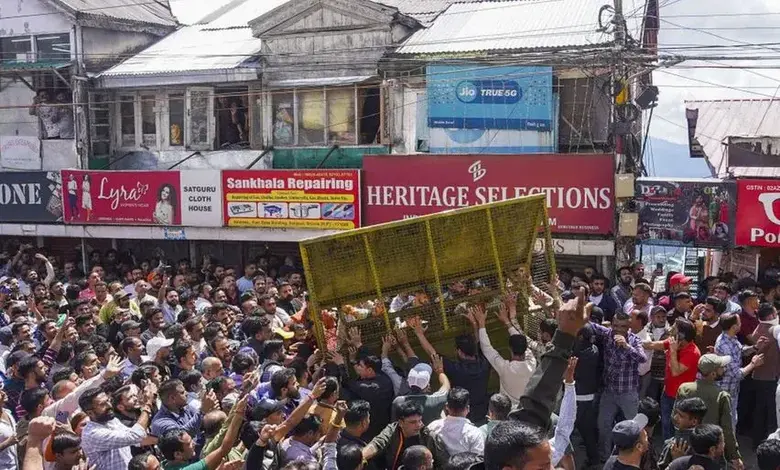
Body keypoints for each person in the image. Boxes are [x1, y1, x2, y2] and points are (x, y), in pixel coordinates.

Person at [409, 314, 491, 424]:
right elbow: (480, 344)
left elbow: (433, 354)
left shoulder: (457, 369)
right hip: (483, 412)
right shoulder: (484, 363)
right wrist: (475, 324)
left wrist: (419, 334)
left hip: (463, 415)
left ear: (460, 352)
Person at [591, 311, 647, 460]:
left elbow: (642, 358)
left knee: (636, 427)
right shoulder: (608, 334)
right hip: (609, 391)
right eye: (615, 325)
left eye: (622, 326)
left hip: (628, 393)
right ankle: (605, 457)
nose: (617, 329)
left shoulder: (634, 340)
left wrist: (626, 346)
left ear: (628, 326)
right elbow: (589, 325)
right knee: (603, 425)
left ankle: (641, 456)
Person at [676, 354, 741, 469]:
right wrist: (734, 456)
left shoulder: (684, 389)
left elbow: (675, 419)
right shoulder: (721, 396)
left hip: (685, 448)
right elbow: (727, 430)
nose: (724, 369)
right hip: (710, 452)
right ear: (713, 373)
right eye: (721, 367)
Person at [643, 318, 701, 440]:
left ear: (681, 335)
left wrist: (673, 352)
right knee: (666, 425)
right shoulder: (672, 342)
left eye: (673, 328)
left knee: (678, 428)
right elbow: (651, 345)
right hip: (667, 393)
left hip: (682, 397)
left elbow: (676, 371)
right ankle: (666, 450)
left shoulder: (693, 352)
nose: (669, 329)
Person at [473, 297, 536, 405]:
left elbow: (486, 348)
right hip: (529, 407)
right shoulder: (532, 362)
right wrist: (507, 321)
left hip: (510, 410)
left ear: (510, 349)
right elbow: (520, 340)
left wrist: (481, 323)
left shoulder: (505, 367)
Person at [158, 395, 247, 470]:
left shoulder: (164, 464)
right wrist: (238, 414)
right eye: (188, 444)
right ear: (177, 454)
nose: (194, 443)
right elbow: (224, 448)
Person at [80, 385, 156, 470]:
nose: (109, 405)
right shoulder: (92, 434)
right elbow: (135, 436)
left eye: (108, 400)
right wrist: (147, 405)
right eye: (102, 404)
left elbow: (137, 440)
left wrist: (162, 441)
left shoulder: (111, 420)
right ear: (90, 413)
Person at [714, 312, 764, 426]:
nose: (741, 324)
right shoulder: (724, 345)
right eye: (739, 322)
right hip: (725, 391)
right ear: (734, 327)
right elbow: (736, 374)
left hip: (733, 390)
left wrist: (755, 347)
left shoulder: (732, 339)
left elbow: (740, 351)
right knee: (727, 425)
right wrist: (753, 364)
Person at [749, 302, 780, 445]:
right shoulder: (771, 330)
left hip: (759, 375)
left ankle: (756, 441)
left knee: (760, 409)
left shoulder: (759, 327)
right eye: (775, 312)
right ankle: (770, 442)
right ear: (770, 315)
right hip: (769, 377)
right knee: (771, 412)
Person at [428, 387, 484, 456]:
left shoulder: (432, 427)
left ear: (446, 406)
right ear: (468, 408)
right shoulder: (475, 433)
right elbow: (478, 461)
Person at [657, 397, 707, 470]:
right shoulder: (708, 441)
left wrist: (678, 461)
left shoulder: (676, 444)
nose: (675, 417)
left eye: (681, 416)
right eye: (676, 413)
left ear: (694, 421)